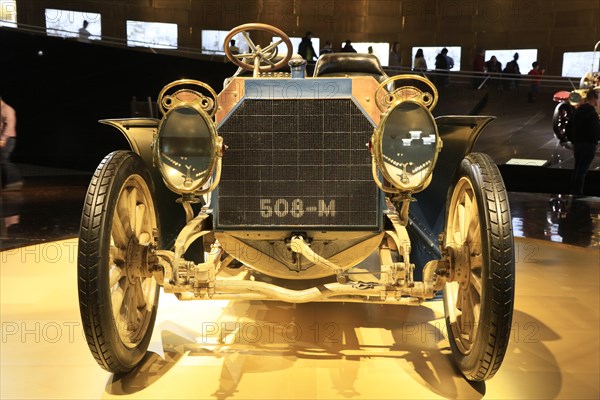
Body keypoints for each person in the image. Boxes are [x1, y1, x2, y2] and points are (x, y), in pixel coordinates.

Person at [570, 89, 600, 195]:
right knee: (582, 171)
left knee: (577, 169)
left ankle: (574, 192)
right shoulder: (592, 113)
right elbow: (595, 130)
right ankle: (578, 194)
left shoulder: (578, 111)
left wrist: (574, 141)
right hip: (588, 145)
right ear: (594, 98)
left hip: (578, 144)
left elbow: (571, 127)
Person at [0, 99, 23, 190]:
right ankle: (10, 182)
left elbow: (10, 125)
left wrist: (3, 139)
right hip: (3, 139)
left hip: (8, 139)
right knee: (2, 160)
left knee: (3, 160)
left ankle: (15, 181)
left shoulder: (7, 109)